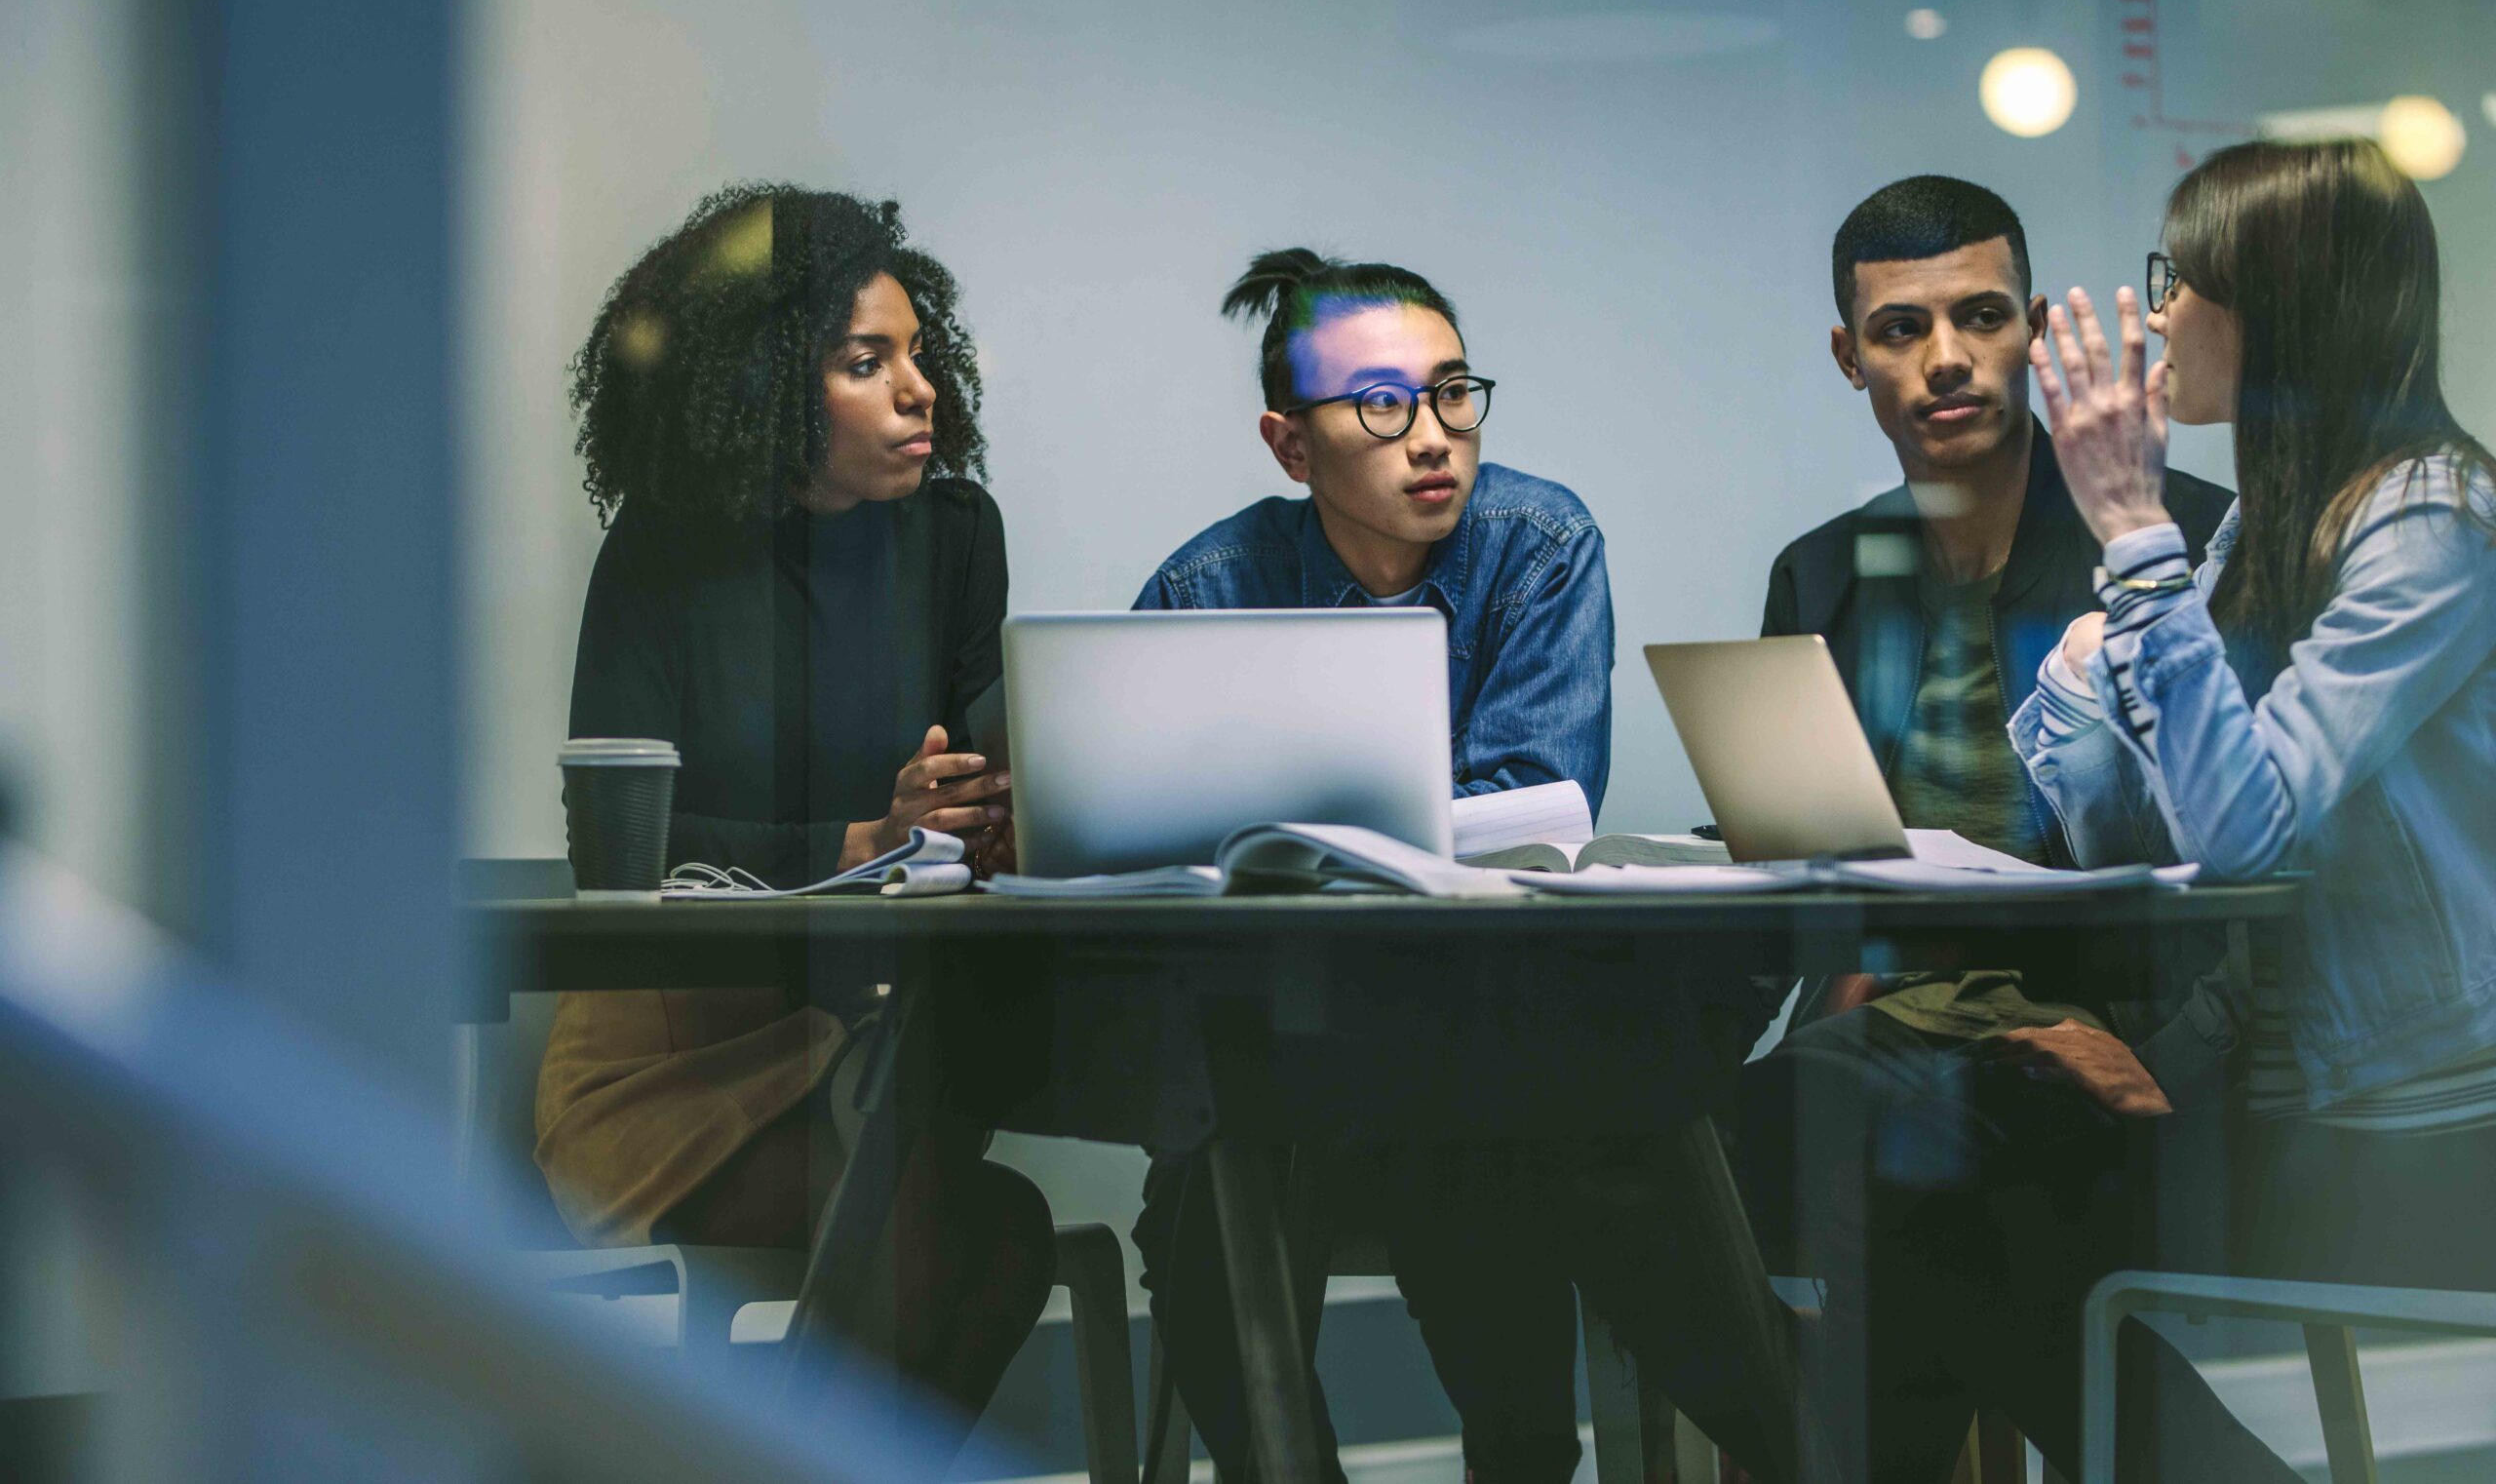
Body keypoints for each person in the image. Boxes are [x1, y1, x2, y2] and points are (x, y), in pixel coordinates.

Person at [1735, 176, 2257, 1479]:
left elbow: (2276, 843)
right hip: (1888, 1056)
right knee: (1693, 1159)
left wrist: (2174, 1051)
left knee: (1903, 1199)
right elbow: (1799, 868)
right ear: (1848, 356)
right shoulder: (1822, 572)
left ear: (2031, 328)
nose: (1947, 357)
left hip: (2114, 1046)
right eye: (1901, 329)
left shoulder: (2176, 534)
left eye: (1978, 317)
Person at [1999, 135, 2496, 1477]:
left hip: (2424, 1120)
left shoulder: (2432, 521)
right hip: (2282, 1078)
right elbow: (2139, 841)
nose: (2159, 313)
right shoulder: (2270, 521)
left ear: (2275, 308)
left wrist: (2126, 533)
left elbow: (2237, 836)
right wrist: (2089, 660)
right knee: (1940, 1189)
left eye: (2184, 279)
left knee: (1990, 1237)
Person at [533, 185, 1054, 1465]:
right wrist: (859, 845)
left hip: (874, 1025)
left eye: (920, 355)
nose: (918, 390)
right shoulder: (663, 550)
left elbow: (981, 773)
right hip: (673, 1060)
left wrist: (978, 811)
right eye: (866, 363)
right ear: (766, 389)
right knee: (956, 1238)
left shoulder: (956, 536)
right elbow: (621, 842)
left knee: (983, 1222)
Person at [1128, 249, 1623, 1484]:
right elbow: (1139, 843)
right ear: (1291, 447)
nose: (1433, 437)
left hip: (1474, 1037)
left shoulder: (1536, 543)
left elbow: (1537, 805)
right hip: (1264, 1046)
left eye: (1454, 392)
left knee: (1481, 1175)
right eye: (1382, 405)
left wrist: (1290, 836)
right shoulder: (1205, 590)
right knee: (1196, 1215)